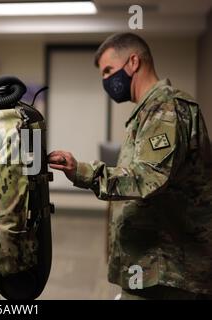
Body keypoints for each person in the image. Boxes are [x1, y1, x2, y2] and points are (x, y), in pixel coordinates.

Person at [48, 33, 212, 300]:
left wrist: (84, 172)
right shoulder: (149, 110)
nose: (106, 80)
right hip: (154, 264)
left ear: (133, 62)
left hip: (168, 269)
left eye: (109, 71)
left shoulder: (165, 108)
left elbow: (149, 177)